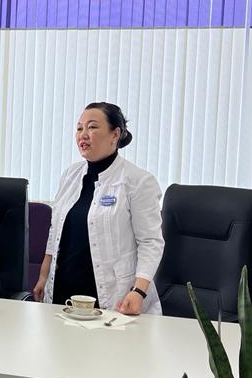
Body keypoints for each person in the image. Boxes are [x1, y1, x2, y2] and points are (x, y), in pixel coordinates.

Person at [33, 102, 164, 315]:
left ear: (115, 134)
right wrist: (43, 276)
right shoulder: (70, 175)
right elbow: (55, 232)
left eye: (92, 127)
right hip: (63, 293)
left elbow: (151, 242)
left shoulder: (138, 181)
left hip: (114, 297)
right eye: (79, 128)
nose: (83, 134)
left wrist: (139, 291)